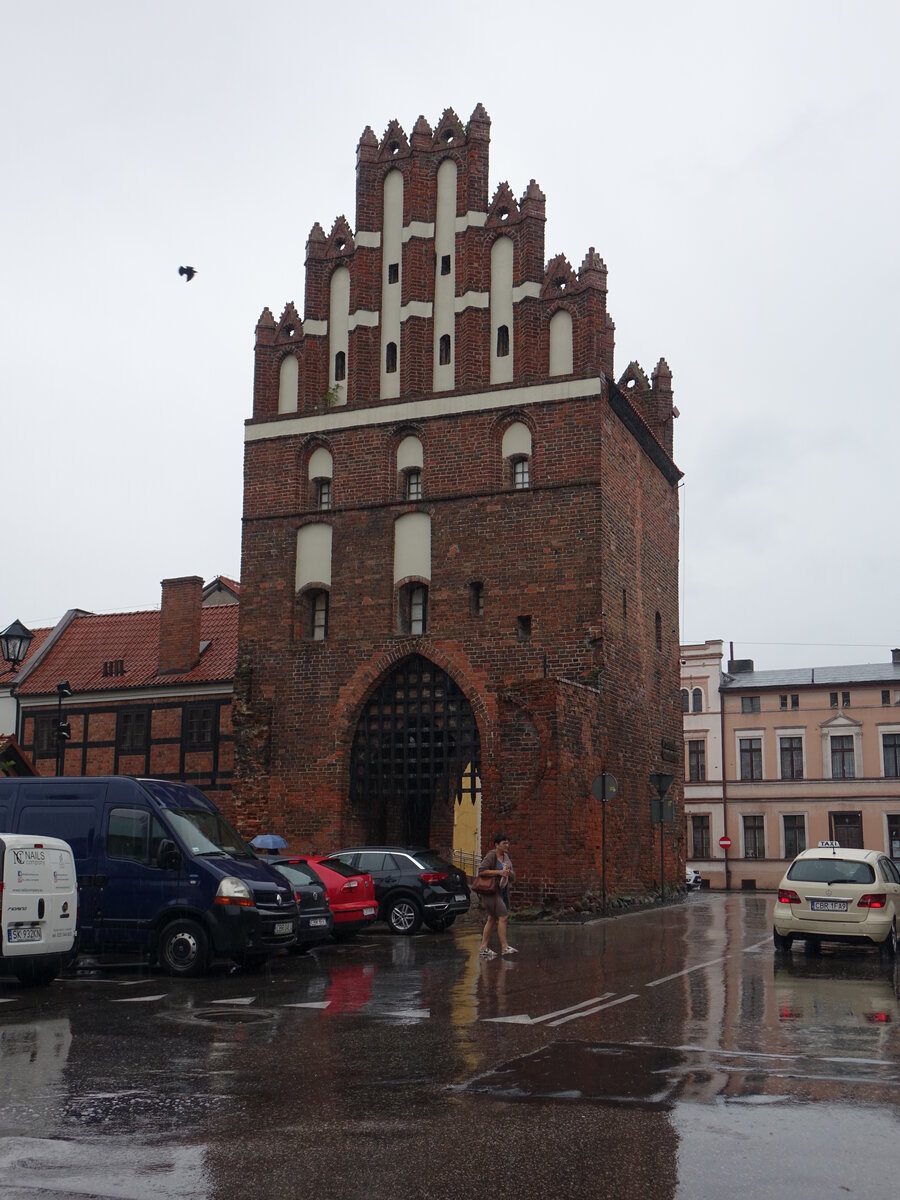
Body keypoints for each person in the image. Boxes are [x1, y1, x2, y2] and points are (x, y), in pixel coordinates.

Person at [477, 833, 517, 958]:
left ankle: (483, 948)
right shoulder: (491, 855)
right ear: (496, 845)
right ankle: (504, 947)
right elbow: (482, 870)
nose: (507, 845)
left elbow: (513, 877)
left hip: (502, 891)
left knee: (492, 919)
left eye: (507, 843)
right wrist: (499, 871)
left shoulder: (506, 857)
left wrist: (509, 873)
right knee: (503, 917)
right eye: (504, 843)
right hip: (491, 891)